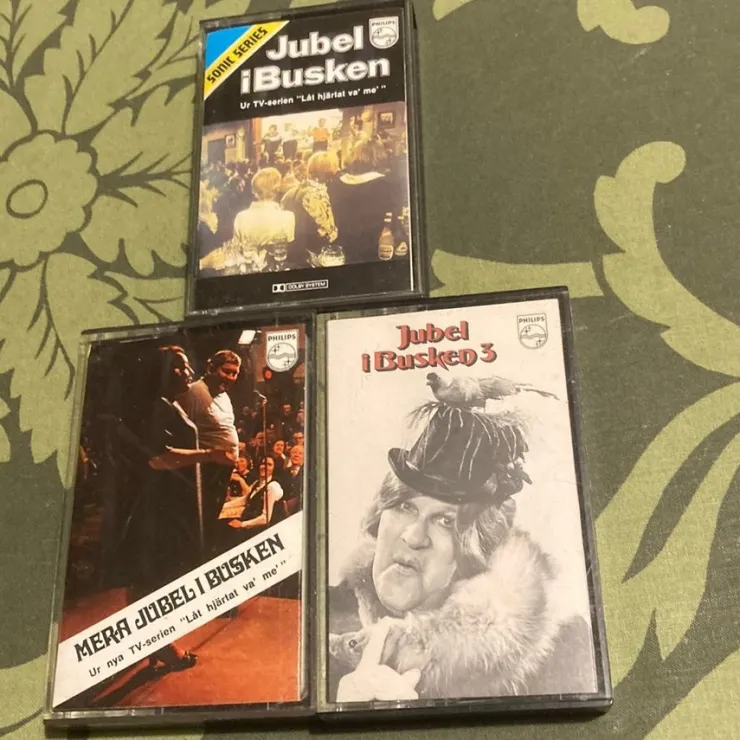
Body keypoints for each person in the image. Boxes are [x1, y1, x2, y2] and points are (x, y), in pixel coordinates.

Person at [328, 404, 595, 702]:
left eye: (446, 521)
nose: (414, 537)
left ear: (475, 549)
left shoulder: (562, 650)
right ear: (380, 515)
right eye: (405, 506)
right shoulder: (317, 619)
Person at [127, 346, 230, 673]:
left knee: (155, 577)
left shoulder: (168, 404)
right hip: (160, 507)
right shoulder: (155, 407)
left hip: (171, 505)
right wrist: (211, 455)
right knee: (156, 578)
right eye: (180, 366)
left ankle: (150, 642)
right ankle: (163, 645)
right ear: (161, 370)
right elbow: (159, 458)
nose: (188, 372)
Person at [178, 350, 241, 558]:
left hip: (223, 469)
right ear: (211, 368)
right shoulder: (194, 392)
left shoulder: (224, 396)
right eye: (226, 371)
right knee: (200, 521)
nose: (230, 377)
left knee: (212, 518)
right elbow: (183, 432)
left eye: (235, 373)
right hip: (206, 469)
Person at [328, 138, 395, 264]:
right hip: (373, 250)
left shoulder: (335, 183)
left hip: (342, 248)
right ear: (379, 155)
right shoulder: (384, 185)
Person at [282, 151, 340, 267]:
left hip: (293, 251)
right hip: (311, 257)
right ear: (330, 172)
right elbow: (330, 234)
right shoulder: (317, 194)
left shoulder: (294, 190)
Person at [232, 168, 295, 272]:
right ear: (278, 190)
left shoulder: (240, 217)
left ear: (254, 191)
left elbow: (236, 252)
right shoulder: (288, 217)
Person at [228, 455, 284, 536]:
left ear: (275, 468)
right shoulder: (257, 482)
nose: (264, 467)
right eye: (263, 463)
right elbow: (244, 499)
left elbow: (265, 518)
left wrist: (242, 524)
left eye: (269, 464)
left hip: (261, 531)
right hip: (249, 522)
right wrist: (224, 506)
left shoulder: (272, 486)